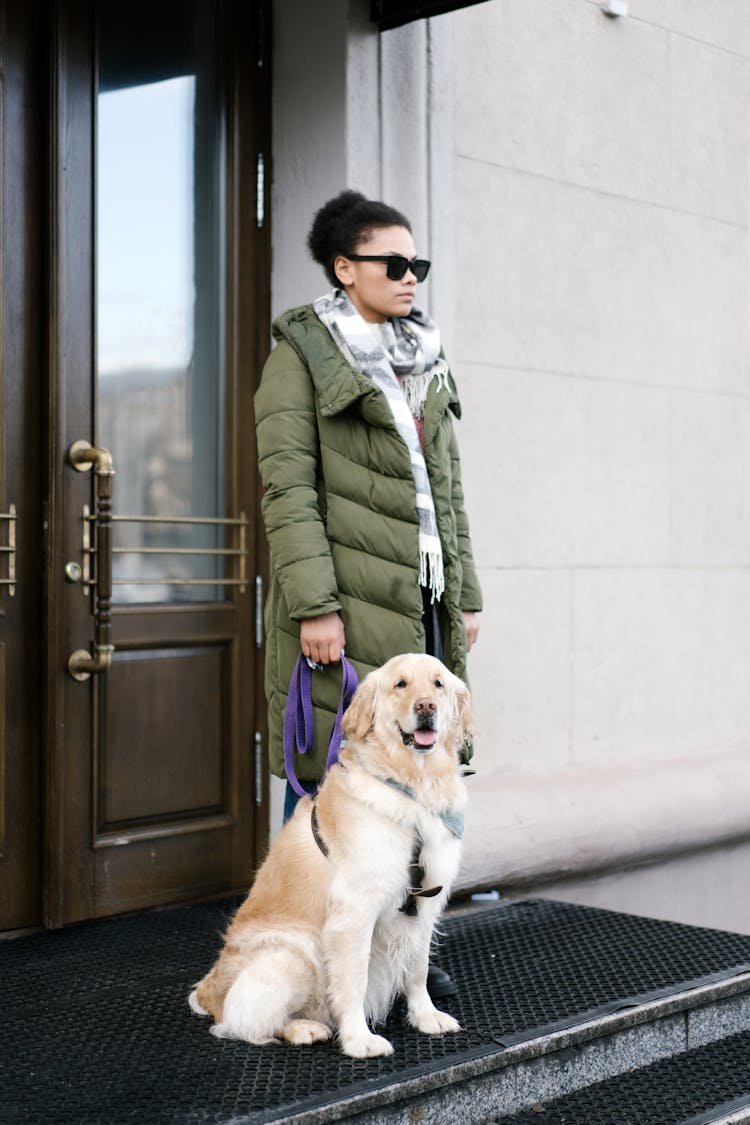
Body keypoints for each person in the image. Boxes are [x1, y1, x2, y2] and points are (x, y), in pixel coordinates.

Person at [254, 186, 482, 815]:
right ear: (345, 269)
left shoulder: (426, 362)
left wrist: (464, 596)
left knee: (425, 764)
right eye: (394, 265)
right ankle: (311, 908)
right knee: (336, 772)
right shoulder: (300, 358)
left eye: (417, 266)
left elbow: (448, 489)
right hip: (344, 599)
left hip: (426, 597)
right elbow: (288, 490)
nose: (411, 279)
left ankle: (408, 912)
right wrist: (316, 606)